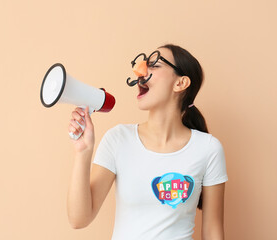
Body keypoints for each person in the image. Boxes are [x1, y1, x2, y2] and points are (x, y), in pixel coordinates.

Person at [67, 44, 228, 240]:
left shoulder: (208, 148)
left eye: (155, 65)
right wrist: (83, 151)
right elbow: (79, 219)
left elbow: (213, 232)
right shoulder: (118, 139)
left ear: (180, 83)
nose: (141, 71)